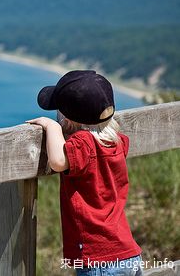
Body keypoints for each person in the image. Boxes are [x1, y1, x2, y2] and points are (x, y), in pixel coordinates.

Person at [27, 70, 143, 276]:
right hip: (128, 253)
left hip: (100, 261)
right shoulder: (116, 142)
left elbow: (58, 161)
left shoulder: (84, 143)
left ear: (68, 121)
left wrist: (51, 126)